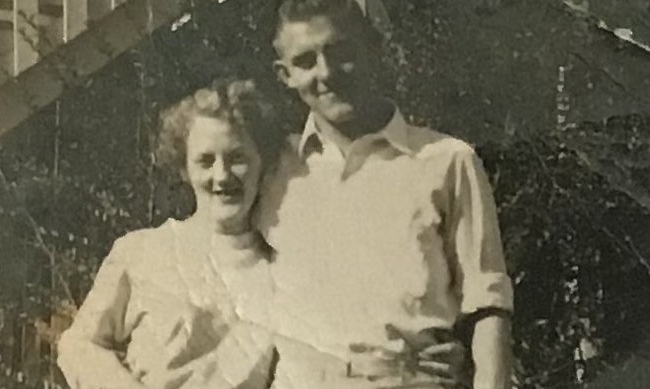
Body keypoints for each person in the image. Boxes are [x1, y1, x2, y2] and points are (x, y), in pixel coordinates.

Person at [257, 0, 514, 388]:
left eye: (341, 51)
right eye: (306, 60)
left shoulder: (446, 161)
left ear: (372, 49)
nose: (327, 73)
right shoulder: (270, 170)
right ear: (285, 75)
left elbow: (488, 304)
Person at [57, 79, 285, 389]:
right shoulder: (140, 251)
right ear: (183, 168)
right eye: (206, 161)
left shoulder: (285, 269)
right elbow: (77, 346)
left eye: (237, 159)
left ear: (263, 162)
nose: (222, 176)